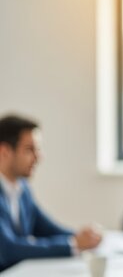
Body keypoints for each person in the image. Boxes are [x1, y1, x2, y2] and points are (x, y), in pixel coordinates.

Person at [0, 114, 102, 271]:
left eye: (38, 149)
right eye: (29, 149)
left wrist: (83, 237)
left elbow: (46, 228)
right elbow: (8, 249)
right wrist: (73, 244)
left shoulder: (22, 189)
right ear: (5, 151)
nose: (39, 157)